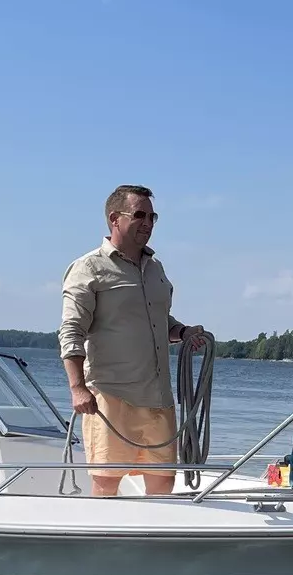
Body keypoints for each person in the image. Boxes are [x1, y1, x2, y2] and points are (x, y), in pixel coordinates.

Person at [59, 185, 208, 497]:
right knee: (106, 483)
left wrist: (182, 333)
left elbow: (157, 320)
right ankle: (103, 544)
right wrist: (77, 388)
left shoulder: (155, 268)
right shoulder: (89, 268)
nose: (148, 223)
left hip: (159, 398)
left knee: (163, 484)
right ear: (115, 218)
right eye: (140, 215)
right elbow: (71, 331)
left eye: (152, 216)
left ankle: (154, 543)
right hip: (112, 397)